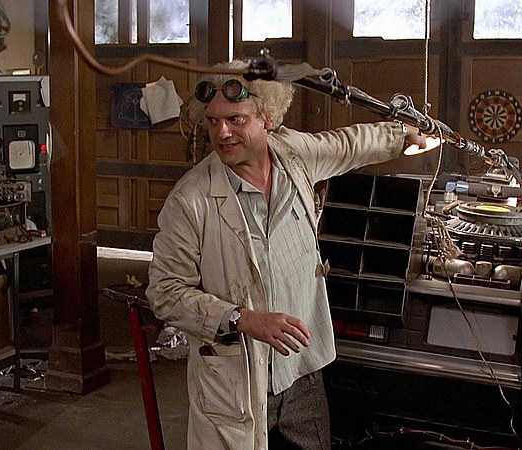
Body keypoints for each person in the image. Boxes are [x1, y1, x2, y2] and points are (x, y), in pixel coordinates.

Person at [146, 61, 426, 450]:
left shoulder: (293, 155)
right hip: (238, 378)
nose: (222, 133)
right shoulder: (191, 200)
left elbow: (347, 145)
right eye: (212, 121)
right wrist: (244, 319)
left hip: (301, 368)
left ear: (268, 119)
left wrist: (404, 134)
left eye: (236, 119)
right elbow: (164, 292)